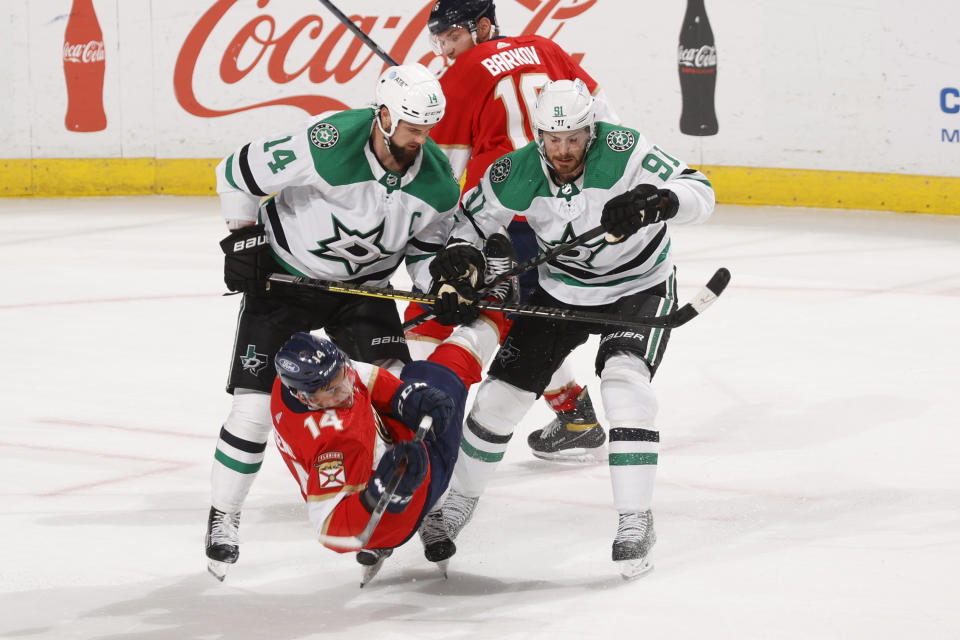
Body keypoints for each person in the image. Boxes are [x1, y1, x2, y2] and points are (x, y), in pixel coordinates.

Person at [419, 79, 716, 579]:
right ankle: (458, 502)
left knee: (624, 385)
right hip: (562, 291)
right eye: (553, 139)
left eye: (574, 138)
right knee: (497, 397)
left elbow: (700, 190)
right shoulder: (515, 171)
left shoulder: (623, 149)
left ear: (591, 130)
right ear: (538, 134)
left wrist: (657, 202)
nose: (563, 150)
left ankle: (635, 520)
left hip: (639, 286)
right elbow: (469, 223)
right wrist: (461, 265)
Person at [204, 63, 464, 581]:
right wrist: (242, 237)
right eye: (412, 127)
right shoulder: (325, 142)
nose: (421, 139)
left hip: (361, 292)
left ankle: (420, 508)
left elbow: (425, 252)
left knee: (398, 396)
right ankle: (224, 515)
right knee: (253, 410)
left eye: (427, 129)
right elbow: (234, 171)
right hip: (288, 283)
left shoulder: (437, 180)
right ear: (384, 114)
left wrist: (442, 282)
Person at [402, 0, 622, 461]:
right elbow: (604, 119)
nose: (446, 50)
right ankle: (575, 414)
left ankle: (407, 428)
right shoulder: (546, 48)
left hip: (501, 216)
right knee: (522, 316)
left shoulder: (460, 75)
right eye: (439, 40)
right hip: (562, 215)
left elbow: (443, 170)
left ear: (483, 27)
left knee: (437, 312)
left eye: (454, 38)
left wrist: (433, 231)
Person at [267, 260, 512, 585]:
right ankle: (496, 303)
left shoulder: (306, 382)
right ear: (306, 399)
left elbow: (358, 374)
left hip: (389, 445)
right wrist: (381, 493)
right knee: (459, 357)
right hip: (401, 506)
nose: (346, 390)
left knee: (413, 377)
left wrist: (404, 397)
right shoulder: (333, 444)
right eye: (333, 391)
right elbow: (328, 528)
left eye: (342, 378)